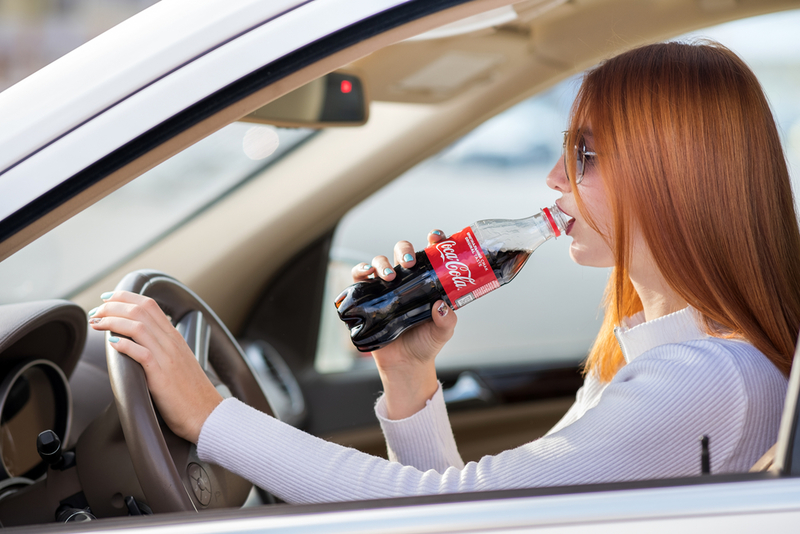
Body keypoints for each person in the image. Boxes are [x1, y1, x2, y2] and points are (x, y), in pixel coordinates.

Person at [88, 40, 797, 504]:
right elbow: (462, 504)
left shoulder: (702, 380)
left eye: (585, 156)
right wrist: (409, 376)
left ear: (675, 176)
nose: (554, 179)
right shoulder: (666, 355)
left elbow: (462, 514)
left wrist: (210, 416)